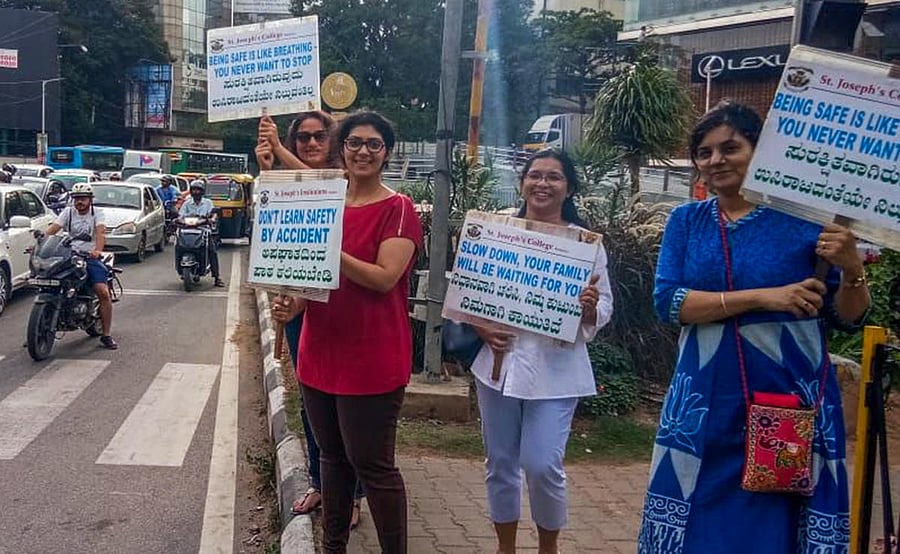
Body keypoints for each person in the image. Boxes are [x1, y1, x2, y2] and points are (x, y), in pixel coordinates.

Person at [638, 101, 870, 553]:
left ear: (760, 151)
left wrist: (852, 267)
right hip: (702, 403)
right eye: (704, 153)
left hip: (790, 401)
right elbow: (669, 302)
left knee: (778, 519)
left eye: (730, 147)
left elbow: (847, 316)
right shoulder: (686, 221)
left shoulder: (806, 223)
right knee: (696, 517)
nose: (716, 160)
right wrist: (767, 297)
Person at [276, 111, 422, 553]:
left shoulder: (398, 209)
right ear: (342, 149)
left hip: (372, 358)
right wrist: (294, 301)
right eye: (355, 143)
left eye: (374, 144)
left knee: (374, 467)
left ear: (387, 153)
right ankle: (333, 545)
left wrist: (329, 248)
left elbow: (383, 277)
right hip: (318, 353)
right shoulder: (325, 204)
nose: (363, 151)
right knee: (331, 460)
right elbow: (313, 279)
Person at [470, 149, 613, 554]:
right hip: (499, 365)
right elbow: (467, 292)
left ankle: (548, 547)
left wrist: (589, 309)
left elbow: (605, 306)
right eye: (535, 175)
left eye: (553, 177)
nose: (543, 184)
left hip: (556, 369)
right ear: (522, 182)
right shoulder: (499, 231)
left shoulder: (585, 245)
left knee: (541, 464)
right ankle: (506, 547)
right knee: (499, 464)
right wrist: (480, 325)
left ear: (569, 187)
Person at [262, 111, 367, 527]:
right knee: (311, 405)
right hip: (298, 300)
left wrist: (281, 151)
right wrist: (269, 169)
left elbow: (323, 185)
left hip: (340, 309)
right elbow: (274, 230)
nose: (309, 142)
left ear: (335, 140)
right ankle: (324, 484)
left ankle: (354, 493)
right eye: (300, 136)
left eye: (318, 135)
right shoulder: (289, 177)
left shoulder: (350, 182)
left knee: (348, 407)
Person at [44, 183, 118, 350]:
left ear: (90, 200)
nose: (79, 202)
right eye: (77, 199)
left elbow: (100, 232)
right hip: (69, 255)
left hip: (89, 257)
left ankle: (106, 335)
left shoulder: (97, 213)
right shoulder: (68, 212)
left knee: (102, 292)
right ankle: (39, 329)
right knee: (48, 282)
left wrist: (98, 250)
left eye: (83, 198)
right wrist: (40, 242)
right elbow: (53, 229)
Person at [178, 179, 225, 288]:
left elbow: (214, 214)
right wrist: (178, 220)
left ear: (202, 191)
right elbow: (180, 215)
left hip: (203, 230)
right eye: (194, 190)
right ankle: (180, 268)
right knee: (179, 246)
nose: (196, 192)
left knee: (212, 251)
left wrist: (212, 218)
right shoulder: (187, 203)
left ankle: (217, 277)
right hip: (187, 230)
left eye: (198, 190)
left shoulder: (208, 203)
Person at [255, 112, 337, 171]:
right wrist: (265, 170)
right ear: (294, 142)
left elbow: (318, 184)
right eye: (303, 137)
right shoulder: (281, 177)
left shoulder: (347, 174)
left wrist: (278, 147)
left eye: (320, 136)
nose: (312, 143)